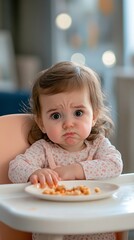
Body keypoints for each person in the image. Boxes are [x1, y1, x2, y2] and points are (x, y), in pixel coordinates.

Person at [8, 61, 123, 240]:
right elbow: (15, 168)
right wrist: (35, 173)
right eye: (56, 115)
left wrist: (76, 170)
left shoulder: (99, 145)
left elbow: (115, 164)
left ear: (93, 116)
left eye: (78, 113)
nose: (68, 124)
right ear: (41, 123)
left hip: (96, 230)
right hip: (53, 232)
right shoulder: (44, 150)